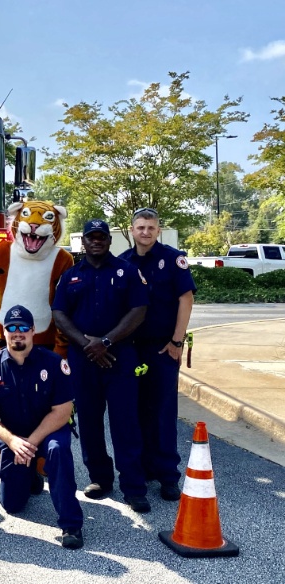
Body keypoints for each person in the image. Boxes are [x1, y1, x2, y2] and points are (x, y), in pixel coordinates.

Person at [52, 219, 151, 513]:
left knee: (125, 423)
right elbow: (59, 313)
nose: (96, 241)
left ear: (109, 241)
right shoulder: (70, 276)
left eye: (102, 237)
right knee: (90, 422)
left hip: (120, 358)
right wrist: (88, 344)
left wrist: (105, 342)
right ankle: (100, 479)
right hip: (83, 361)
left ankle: (133, 487)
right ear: (83, 241)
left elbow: (139, 311)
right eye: (91, 237)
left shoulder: (128, 272)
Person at [0, 304, 84, 549]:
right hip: (14, 438)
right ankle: (30, 475)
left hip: (48, 433)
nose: (17, 332)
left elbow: (62, 412)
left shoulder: (54, 364)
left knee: (57, 451)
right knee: (12, 506)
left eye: (23, 327)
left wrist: (30, 443)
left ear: (33, 330)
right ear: (5, 331)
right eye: (11, 328)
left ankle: (71, 523)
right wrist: (12, 441)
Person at [120, 208, 196, 501]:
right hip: (131, 349)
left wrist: (177, 342)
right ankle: (141, 470)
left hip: (164, 348)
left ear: (158, 230)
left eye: (151, 227)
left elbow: (185, 299)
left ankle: (167, 476)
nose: (146, 232)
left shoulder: (173, 259)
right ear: (132, 229)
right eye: (140, 227)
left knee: (163, 412)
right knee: (134, 411)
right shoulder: (124, 262)